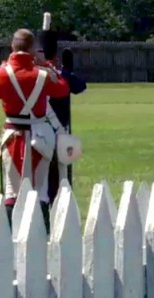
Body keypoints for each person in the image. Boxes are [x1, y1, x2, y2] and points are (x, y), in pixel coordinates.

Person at [0, 29, 69, 230]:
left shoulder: (3, 73)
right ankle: (43, 233)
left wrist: (5, 67)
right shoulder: (42, 73)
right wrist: (46, 65)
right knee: (40, 190)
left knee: (11, 191)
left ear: (12, 47)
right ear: (32, 48)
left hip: (13, 137)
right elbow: (62, 88)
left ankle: (10, 233)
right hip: (40, 135)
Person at [46, 47, 86, 203]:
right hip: (60, 127)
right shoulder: (61, 75)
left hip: (38, 129)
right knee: (62, 169)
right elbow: (81, 86)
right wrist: (67, 71)